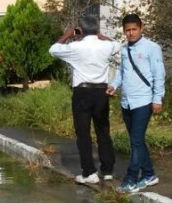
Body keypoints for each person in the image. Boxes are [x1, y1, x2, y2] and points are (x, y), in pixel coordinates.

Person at [49, 13, 121, 185]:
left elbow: (53, 50)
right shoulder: (106, 46)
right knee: (103, 130)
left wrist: (68, 34)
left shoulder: (75, 47)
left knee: (83, 133)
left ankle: (89, 172)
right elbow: (117, 45)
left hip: (82, 92)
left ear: (80, 30)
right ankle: (108, 169)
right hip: (101, 91)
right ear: (97, 28)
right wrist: (99, 35)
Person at [109, 13, 165, 193]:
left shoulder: (152, 48)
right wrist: (114, 86)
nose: (131, 33)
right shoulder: (124, 50)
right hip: (127, 102)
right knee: (137, 142)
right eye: (128, 30)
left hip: (144, 101)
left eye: (134, 29)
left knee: (135, 141)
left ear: (141, 28)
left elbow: (159, 74)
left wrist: (157, 99)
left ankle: (131, 178)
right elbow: (123, 73)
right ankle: (149, 174)